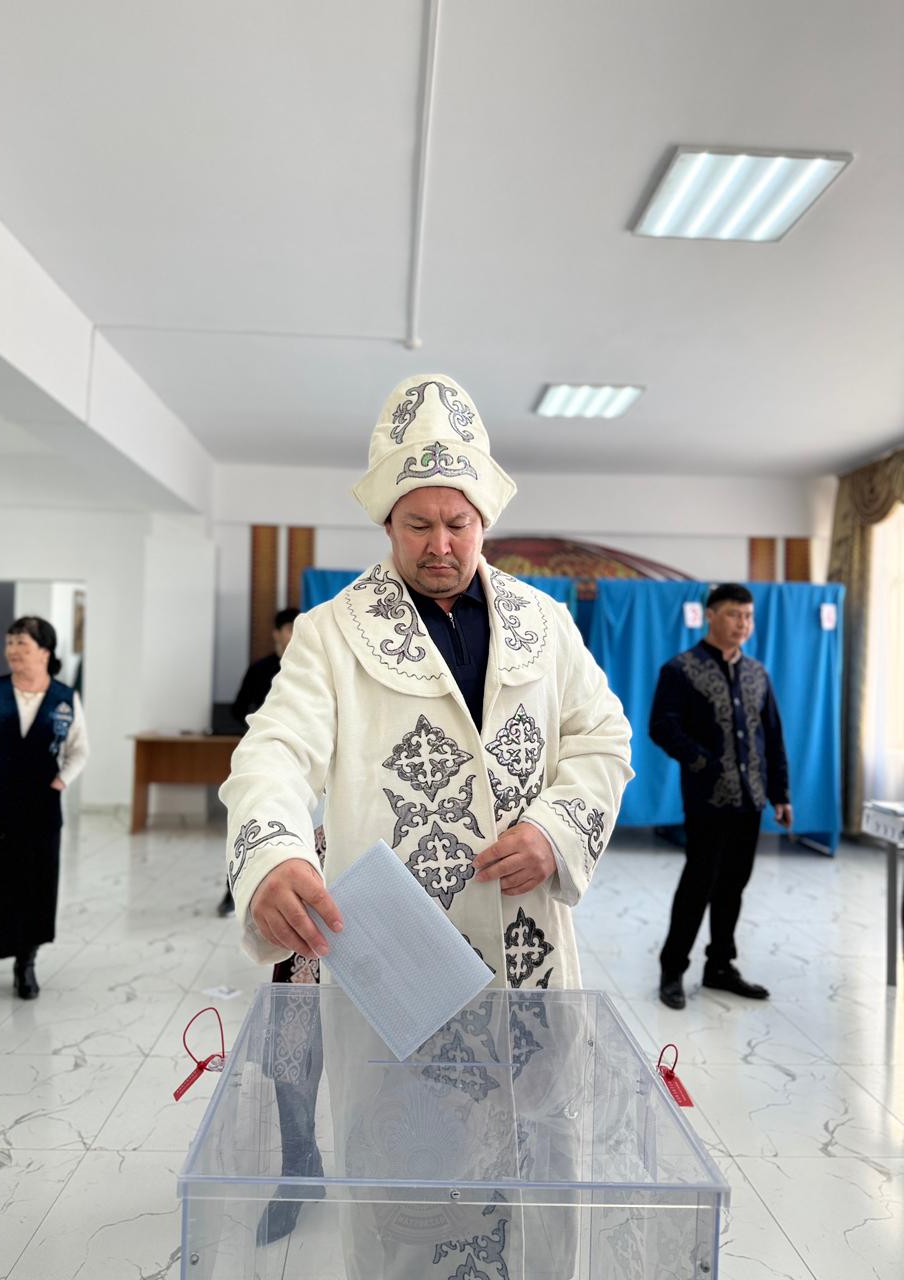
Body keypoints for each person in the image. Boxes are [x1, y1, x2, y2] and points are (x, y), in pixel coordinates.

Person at [220, 374, 633, 1276]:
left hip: (527, 948)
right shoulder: (332, 634)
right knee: (414, 1193)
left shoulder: (544, 623)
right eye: (419, 525)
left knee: (537, 1169)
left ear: (484, 520)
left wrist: (556, 829)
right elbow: (273, 753)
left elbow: (603, 736)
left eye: (458, 523)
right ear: (387, 524)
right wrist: (276, 854)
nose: (441, 544)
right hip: (402, 962)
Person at [649, 583, 792, 1010]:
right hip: (708, 799)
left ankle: (720, 966)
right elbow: (662, 726)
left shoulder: (757, 674)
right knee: (699, 883)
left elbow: (773, 737)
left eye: (748, 616)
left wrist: (781, 793)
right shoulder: (681, 670)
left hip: (751, 798)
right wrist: (702, 762)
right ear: (711, 615)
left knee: (734, 885)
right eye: (734, 614)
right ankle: (672, 969)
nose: (742, 624)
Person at [0, 616, 89, 1017]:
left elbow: (80, 750)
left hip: (37, 813)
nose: (12, 650)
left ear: (44, 651)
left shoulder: (64, 698)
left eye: (22, 643)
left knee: (32, 890)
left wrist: (59, 784)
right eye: (9, 642)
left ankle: (26, 966)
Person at [216, 607, 299, 917]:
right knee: (248, 821)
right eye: (288, 629)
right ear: (277, 633)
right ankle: (232, 892)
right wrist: (258, 730)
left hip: (301, 759)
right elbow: (238, 709)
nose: (293, 635)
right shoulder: (260, 669)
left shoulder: (309, 667)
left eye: (297, 628)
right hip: (263, 759)